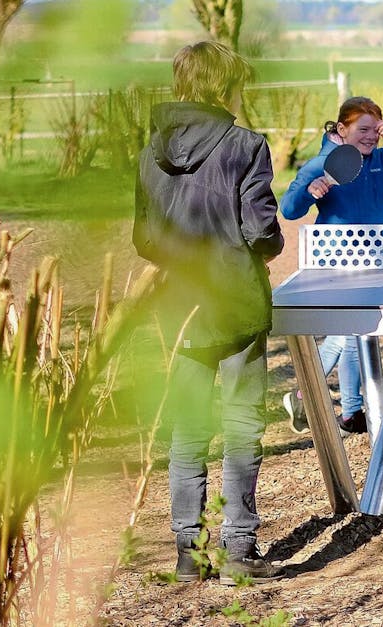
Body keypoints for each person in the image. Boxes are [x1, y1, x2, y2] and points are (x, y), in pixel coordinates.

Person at [133, 40, 286, 585]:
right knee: (242, 424)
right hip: (237, 300)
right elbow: (260, 229)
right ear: (224, 86)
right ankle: (240, 550)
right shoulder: (246, 145)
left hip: (179, 306)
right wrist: (263, 251)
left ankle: (187, 552)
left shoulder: (150, 150)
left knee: (188, 428)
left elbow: (144, 237)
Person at [278, 97, 383, 435]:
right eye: (363, 129)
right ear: (342, 129)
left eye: (376, 130)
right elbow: (289, 209)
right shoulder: (320, 164)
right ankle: (331, 404)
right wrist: (309, 191)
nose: (370, 137)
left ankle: (335, 407)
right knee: (349, 335)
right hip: (335, 263)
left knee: (352, 334)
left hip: (374, 260)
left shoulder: (381, 161)